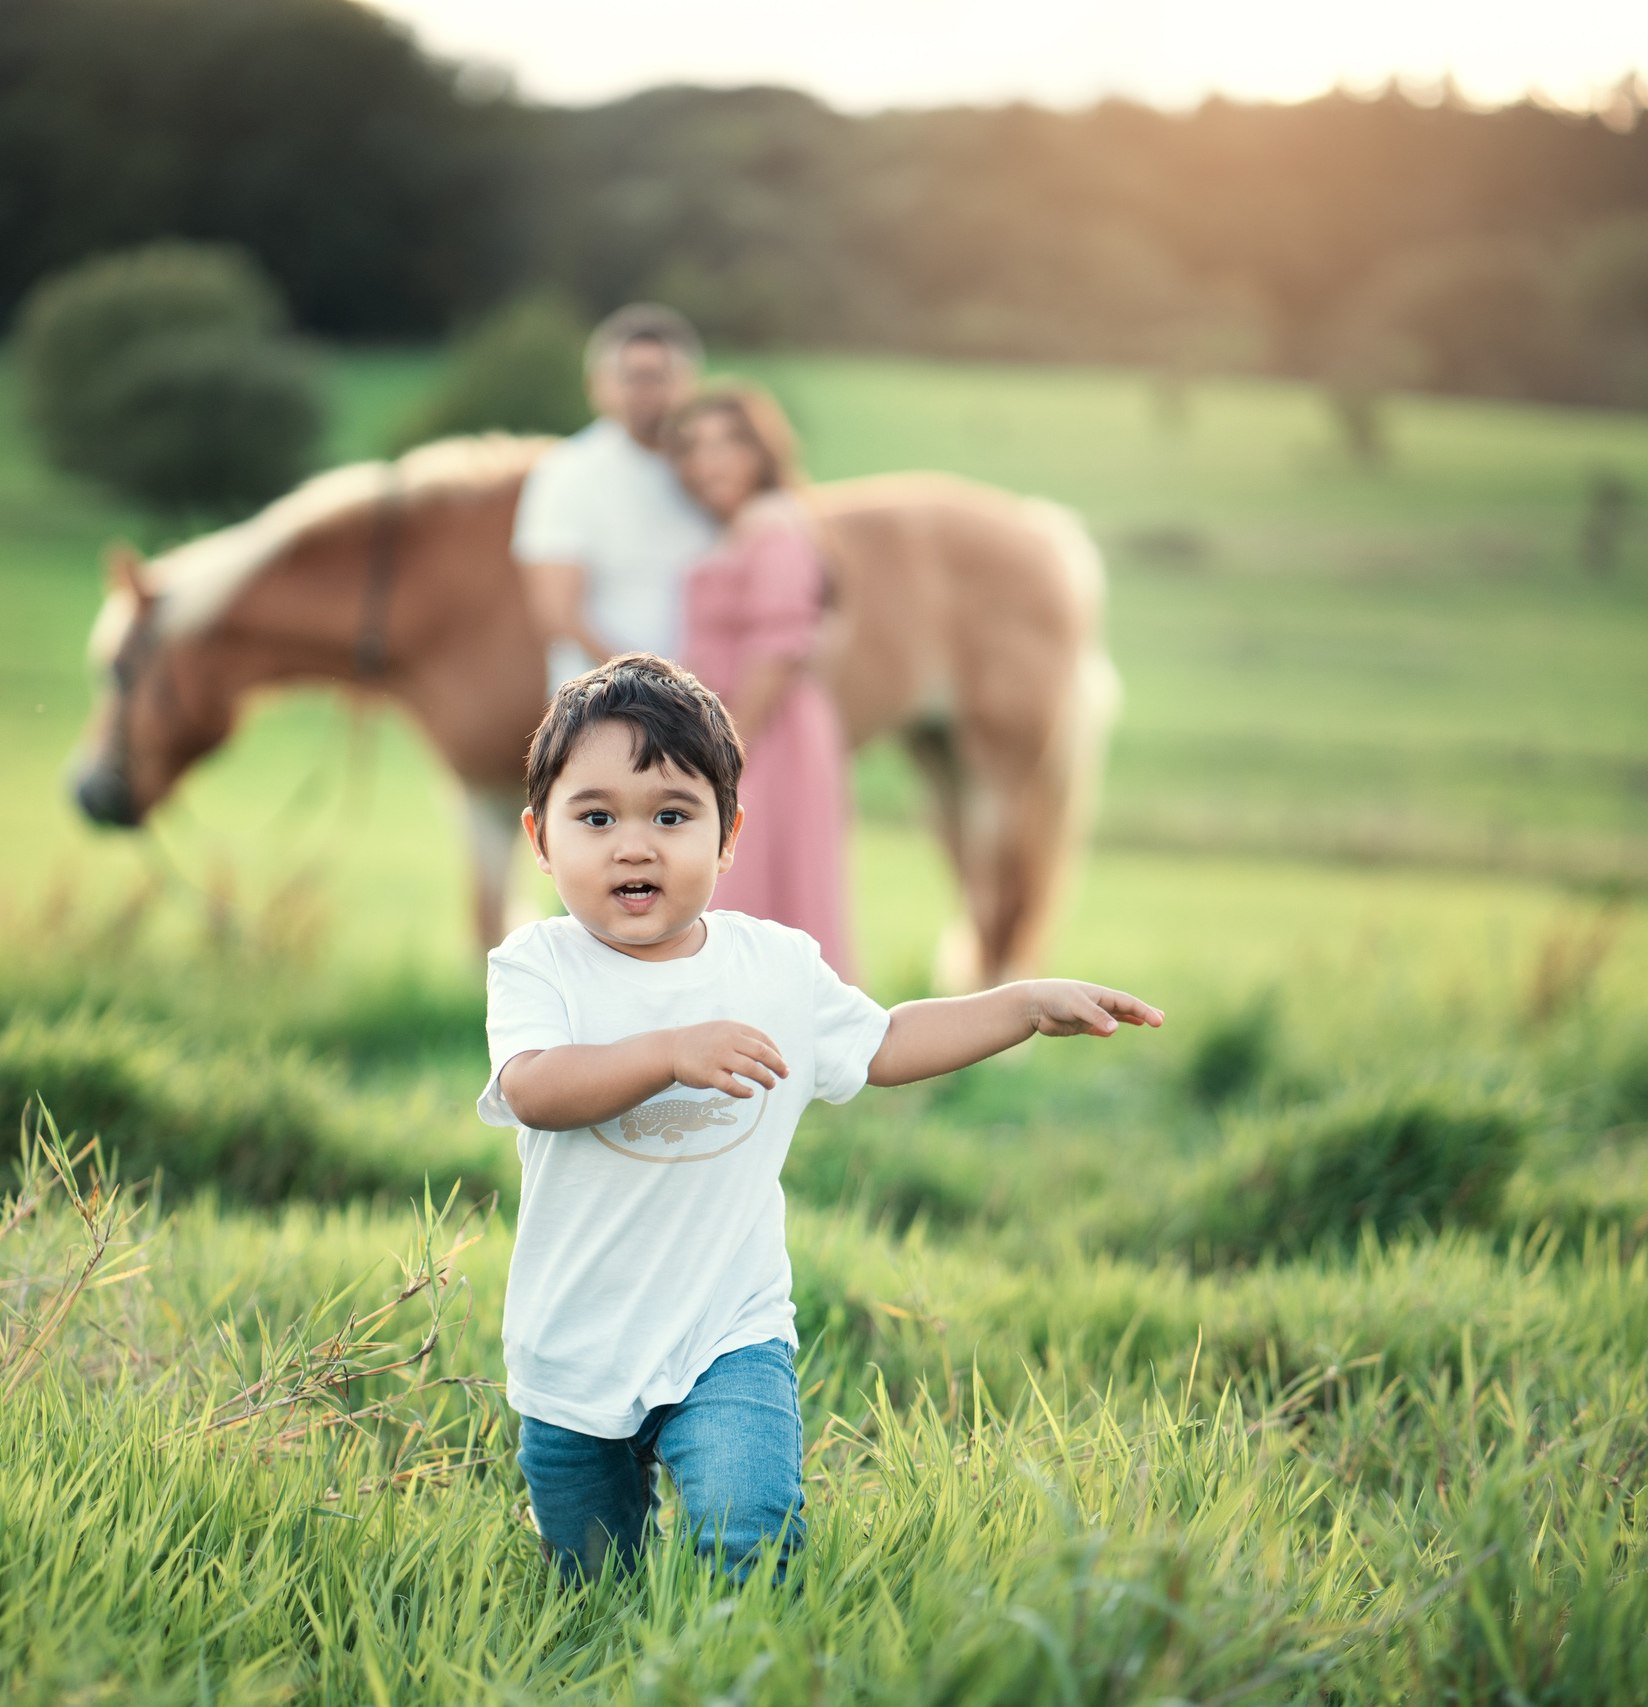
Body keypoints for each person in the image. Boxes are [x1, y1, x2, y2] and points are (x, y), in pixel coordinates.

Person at [480, 655, 1164, 1583]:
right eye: (596, 818)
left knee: (749, 1533)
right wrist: (669, 1051)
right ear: (539, 836)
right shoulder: (538, 966)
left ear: (729, 835)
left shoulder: (774, 967)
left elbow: (884, 1044)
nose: (634, 847)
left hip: (726, 1331)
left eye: (672, 816)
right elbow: (535, 1087)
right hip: (573, 1344)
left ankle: (739, 1645)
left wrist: (1021, 1004)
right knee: (591, 1578)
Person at [669, 383, 853, 975]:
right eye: (696, 447)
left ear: (761, 451)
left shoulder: (773, 523)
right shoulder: (738, 525)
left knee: (751, 884)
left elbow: (778, 646)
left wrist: (727, 753)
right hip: (741, 725)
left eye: (729, 443)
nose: (711, 461)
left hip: (767, 730)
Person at [510, 305, 719, 693]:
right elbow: (557, 611)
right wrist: (655, 689)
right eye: (630, 377)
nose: (645, 390)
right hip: (604, 704)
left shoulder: (712, 471)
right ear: (597, 386)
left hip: (711, 707)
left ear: (691, 382)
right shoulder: (566, 472)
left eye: (660, 376)